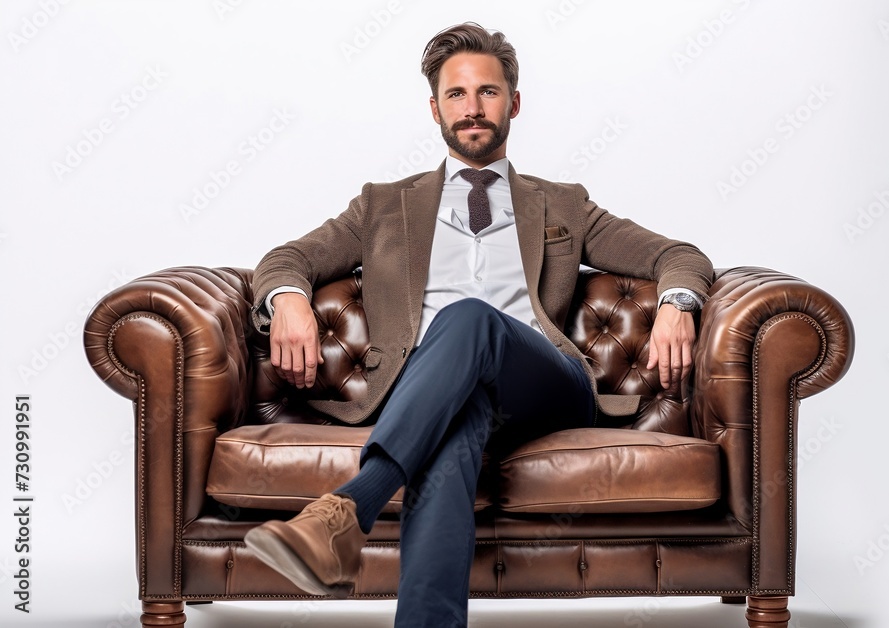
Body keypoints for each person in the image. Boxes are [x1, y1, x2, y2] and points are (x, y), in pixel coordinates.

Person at [244, 22, 713, 628]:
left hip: (544, 384)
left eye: (488, 93)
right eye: (457, 95)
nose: (473, 109)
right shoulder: (383, 206)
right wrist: (287, 299)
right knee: (453, 430)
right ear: (434, 107)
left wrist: (676, 302)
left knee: (470, 318)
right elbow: (287, 260)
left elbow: (677, 255)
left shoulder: (563, 203)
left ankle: (345, 512)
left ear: (514, 103)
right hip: (434, 394)